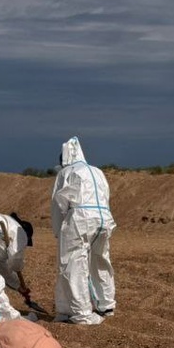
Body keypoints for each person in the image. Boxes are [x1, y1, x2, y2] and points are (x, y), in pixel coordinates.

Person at [51, 136, 115, 324]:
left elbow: (58, 203)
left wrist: (59, 230)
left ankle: (80, 312)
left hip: (80, 219)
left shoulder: (67, 172)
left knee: (73, 264)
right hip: (104, 219)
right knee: (100, 260)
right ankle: (106, 305)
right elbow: (105, 195)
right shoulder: (97, 172)